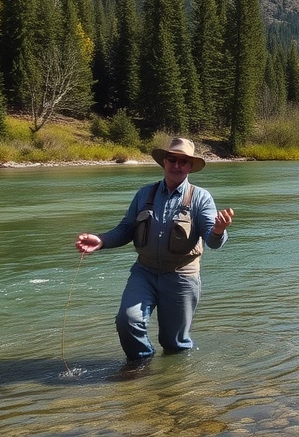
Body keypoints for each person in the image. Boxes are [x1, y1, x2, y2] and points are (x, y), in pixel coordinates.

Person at [75, 137, 235, 361]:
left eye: (183, 161)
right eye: (172, 159)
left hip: (181, 276)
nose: (177, 165)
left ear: (190, 166)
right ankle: (141, 369)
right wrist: (101, 240)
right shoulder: (144, 194)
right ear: (164, 162)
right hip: (145, 272)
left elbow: (213, 241)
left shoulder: (201, 198)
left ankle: (172, 387)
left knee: (174, 344)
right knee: (128, 320)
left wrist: (219, 230)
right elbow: (126, 229)